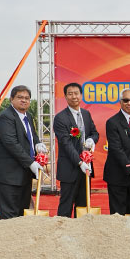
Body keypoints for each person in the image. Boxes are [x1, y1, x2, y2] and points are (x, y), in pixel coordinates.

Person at [0, 85, 46, 219]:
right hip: (9, 175)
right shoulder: (6, 117)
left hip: (24, 174)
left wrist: (38, 143)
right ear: (11, 99)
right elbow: (11, 143)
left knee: (22, 214)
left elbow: (32, 135)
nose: (24, 100)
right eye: (20, 97)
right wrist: (31, 163)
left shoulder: (28, 116)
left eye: (27, 98)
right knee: (10, 215)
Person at [53, 82, 100, 217]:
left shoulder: (86, 114)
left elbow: (95, 133)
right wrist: (80, 162)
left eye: (76, 93)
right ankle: (62, 228)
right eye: (70, 94)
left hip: (86, 169)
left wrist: (92, 140)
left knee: (83, 206)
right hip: (69, 168)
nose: (74, 97)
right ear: (65, 97)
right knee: (66, 206)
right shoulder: (60, 118)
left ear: (81, 95)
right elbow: (66, 144)